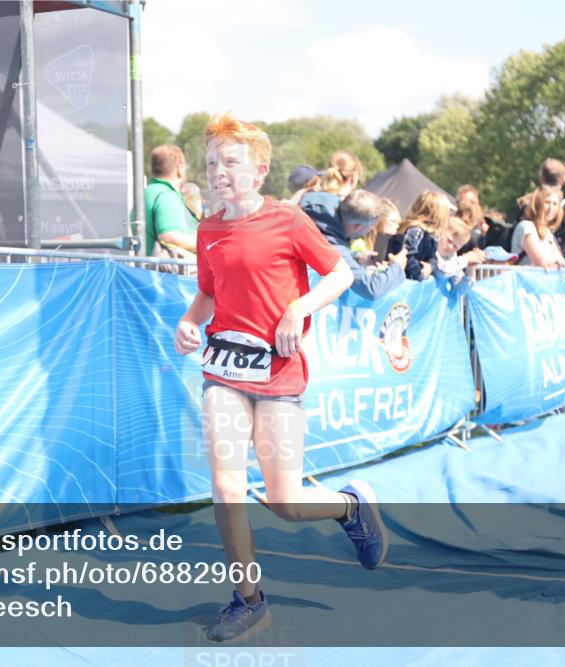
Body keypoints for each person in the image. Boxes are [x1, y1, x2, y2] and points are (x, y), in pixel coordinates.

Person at [174, 113, 386, 643]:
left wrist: (298, 309)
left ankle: (350, 507)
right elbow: (208, 293)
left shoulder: (288, 220)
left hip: (278, 371)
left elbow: (340, 273)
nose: (218, 172)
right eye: (211, 163)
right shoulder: (208, 229)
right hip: (223, 370)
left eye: (231, 162)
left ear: (260, 171)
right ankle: (249, 600)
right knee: (227, 485)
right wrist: (189, 321)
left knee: (286, 503)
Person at [144, 144, 198, 257]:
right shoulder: (167, 196)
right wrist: (207, 241)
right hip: (167, 268)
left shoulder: (146, 193)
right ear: (179, 168)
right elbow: (169, 236)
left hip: (147, 265)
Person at [389, 190, 453, 280]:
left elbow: (433, 257)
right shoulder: (415, 231)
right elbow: (407, 255)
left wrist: (431, 266)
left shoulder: (431, 237)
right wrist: (419, 272)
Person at [511, 185, 564, 268]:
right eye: (547, 202)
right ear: (537, 204)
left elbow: (562, 263)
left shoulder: (547, 232)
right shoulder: (526, 227)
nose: (551, 208)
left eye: (555, 204)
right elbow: (541, 263)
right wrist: (558, 265)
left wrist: (559, 265)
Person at [433, 216, 484, 293]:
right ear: (440, 232)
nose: (450, 247)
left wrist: (470, 269)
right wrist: (466, 259)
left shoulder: (452, 257)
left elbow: (460, 291)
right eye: (449, 241)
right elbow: (442, 271)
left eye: (455, 247)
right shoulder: (431, 248)